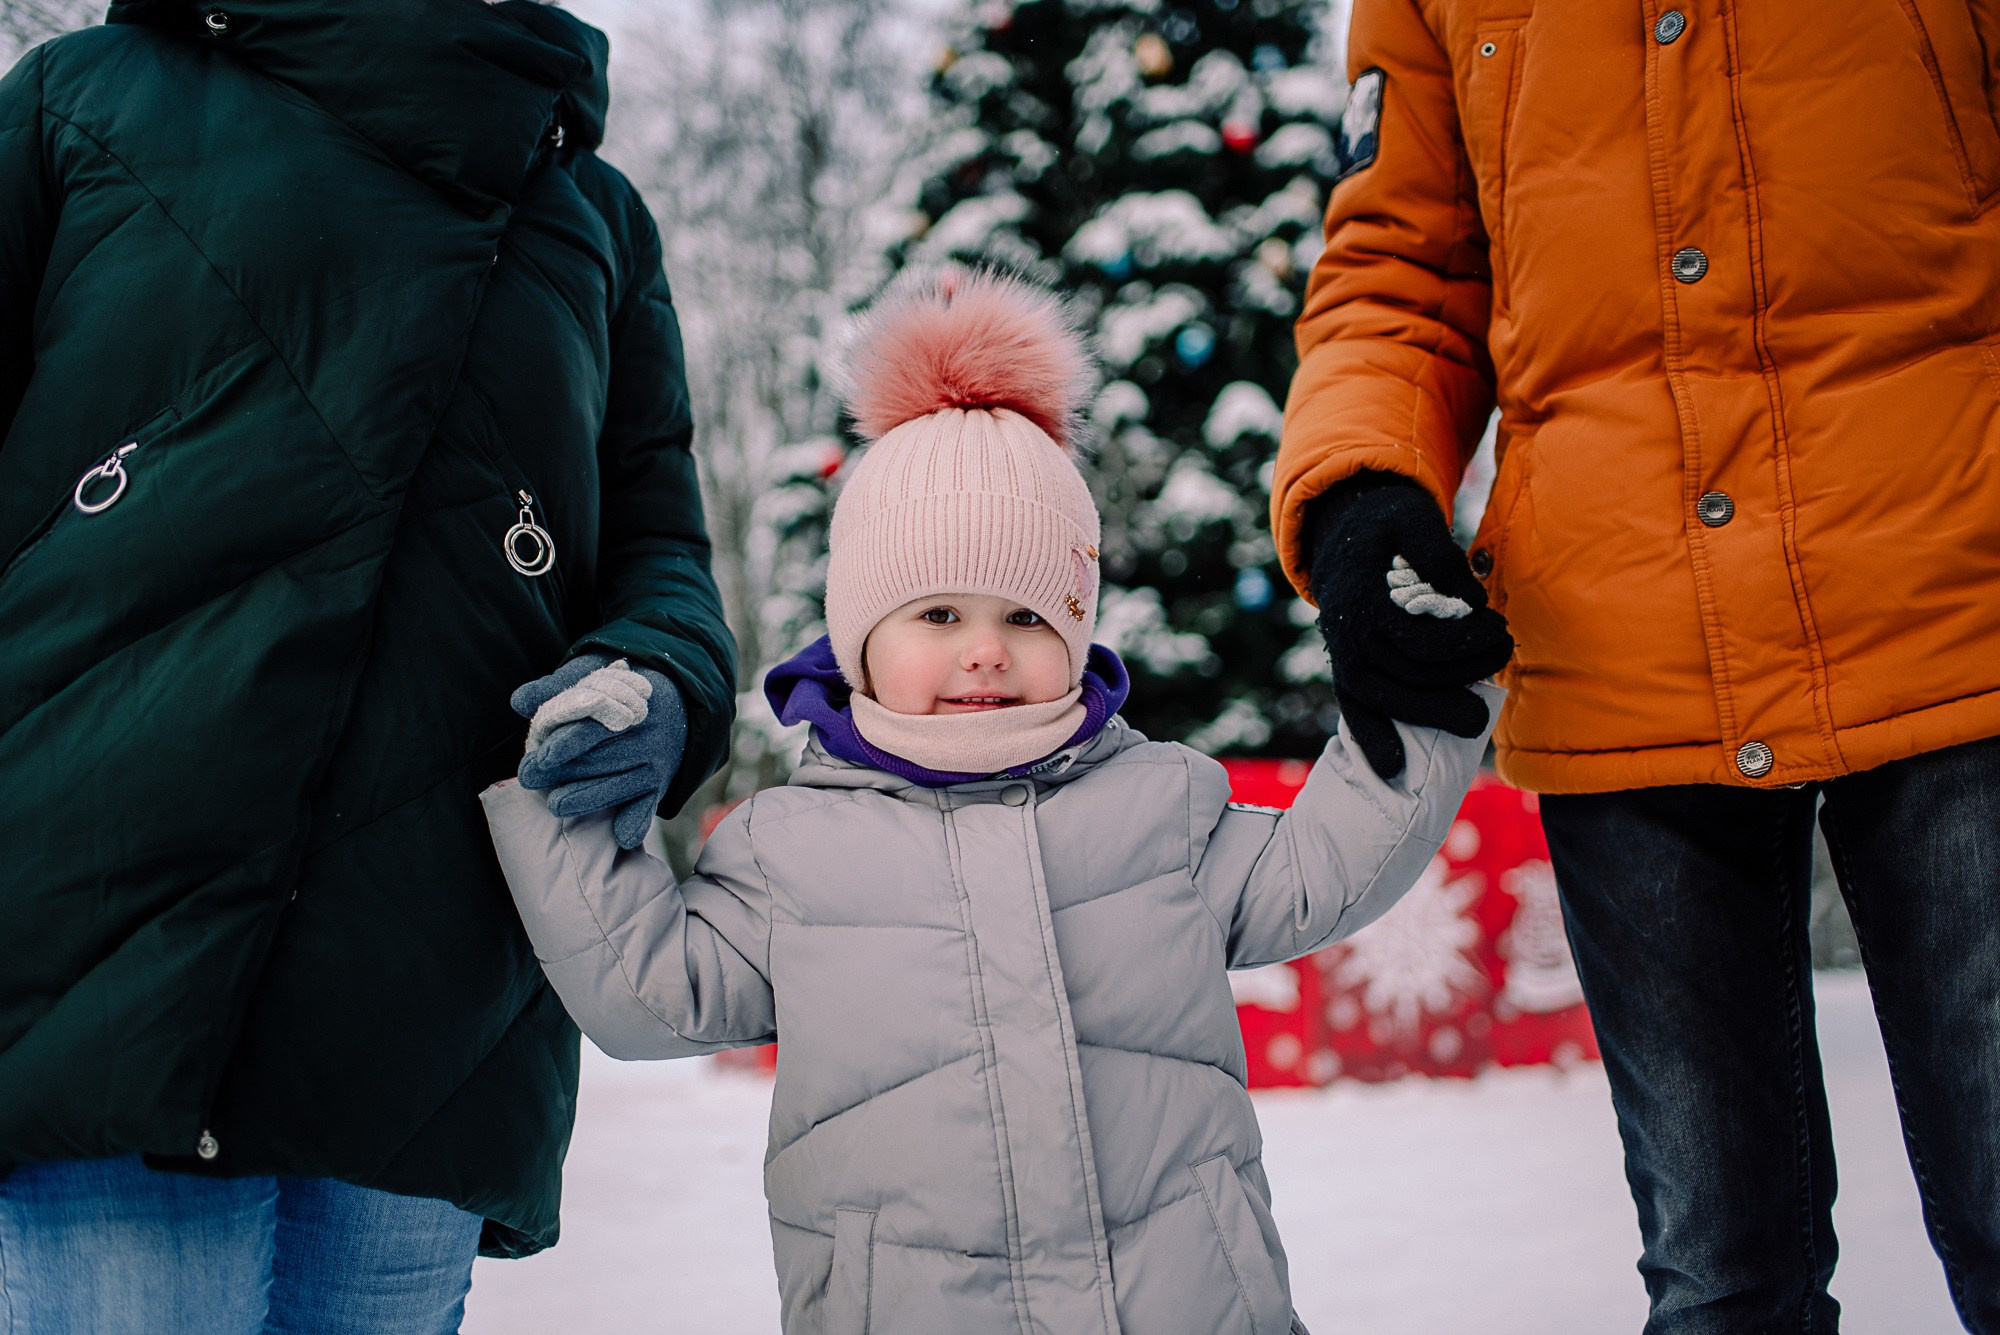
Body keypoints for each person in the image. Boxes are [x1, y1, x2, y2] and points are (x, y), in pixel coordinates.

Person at [482, 269, 1501, 1334]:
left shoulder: (1156, 804)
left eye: (1025, 615)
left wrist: (1421, 710)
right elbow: (654, 996)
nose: (982, 648)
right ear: (858, 635)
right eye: (934, 610)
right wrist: (569, 808)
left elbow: (1318, 871)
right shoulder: (795, 849)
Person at [0, 1, 734, 1329]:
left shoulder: (593, 216)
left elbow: (658, 545)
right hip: (107, 934)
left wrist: (658, 677)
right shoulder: (84, 102)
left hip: (432, 979)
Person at [1274, 3, 2000, 1331]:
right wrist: (1358, 493)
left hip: (1960, 605)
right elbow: (1401, 271)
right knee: (1720, 1273)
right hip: (1619, 647)